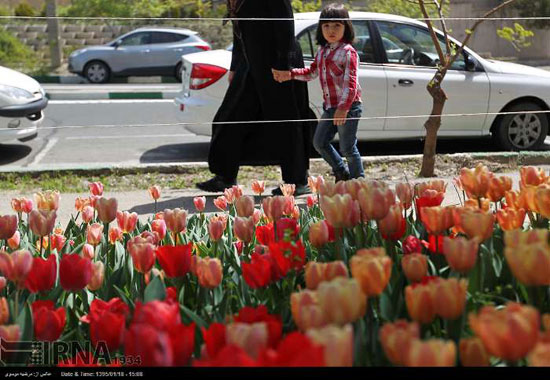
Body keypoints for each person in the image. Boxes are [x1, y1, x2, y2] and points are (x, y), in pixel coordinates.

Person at [196, 0, 313, 195]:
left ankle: (297, 181)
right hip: (250, 63)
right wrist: (234, 66)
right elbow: (238, 29)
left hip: (278, 61)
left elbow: (285, 22)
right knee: (230, 116)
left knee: (285, 120)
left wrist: (283, 64)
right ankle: (225, 176)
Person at [276, 3, 364, 181]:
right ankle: (342, 172)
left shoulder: (348, 53)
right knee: (319, 142)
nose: (331, 30)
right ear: (320, 28)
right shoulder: (322, 51)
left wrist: (343, 108)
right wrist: (290, 74)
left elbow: (351, 84)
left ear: (346, 28)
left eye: (337, 26)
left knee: (348, 148)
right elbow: (312, 72)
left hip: (348, 108)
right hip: (330, 107)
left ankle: (358, 181)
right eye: (326, 26)